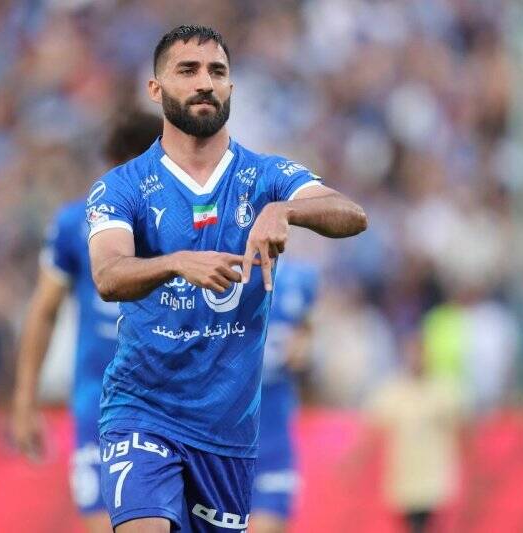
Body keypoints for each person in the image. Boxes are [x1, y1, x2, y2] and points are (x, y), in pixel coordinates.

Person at [87, 25, 367, 533]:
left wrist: (285, 210)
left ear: (231, 87)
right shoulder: (121, 187)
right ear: (155, 89)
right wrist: (175, 263)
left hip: (227, 435)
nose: (205, 83)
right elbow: (108, 275)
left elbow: (351, 215)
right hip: (142, 409)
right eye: (187, 70)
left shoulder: (266, 177)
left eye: (217, 72)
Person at [11, 112, 163, 533]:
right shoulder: (76, 224)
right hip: (99, 404)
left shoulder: (184, 225)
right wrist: (25, 398)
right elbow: (44, 310)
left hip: (166, 404)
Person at [365, 333, 464, 533]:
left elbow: (460, 427)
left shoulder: (443, 388)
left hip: (435, 477)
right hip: (404, 477)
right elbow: (373, 427)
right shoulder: (393, 390)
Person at [250, 259, 318, 533]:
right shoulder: (216, 266)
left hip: (273, 436)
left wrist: (305, 350)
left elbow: (307, 332)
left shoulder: (299, 278)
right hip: (221, 434)